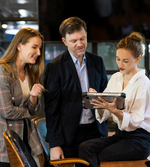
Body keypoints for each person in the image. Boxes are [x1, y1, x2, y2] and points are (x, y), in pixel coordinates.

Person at [78, 32, 150, 167]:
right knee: (85, 147)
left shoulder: (143, 82)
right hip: (120, 135)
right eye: (117, 59)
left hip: (139, 139)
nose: (120, 64)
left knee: (102, 155)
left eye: (125, 61)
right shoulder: (116, 77)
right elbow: (104, 113)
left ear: (138, 58)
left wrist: (115, 111)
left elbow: (135, 121)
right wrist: (98, 103)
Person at [42, 17, 108, 161]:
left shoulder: (98, 62)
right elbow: (51, 110)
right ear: (64, 41)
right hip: (68, 136)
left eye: (82, 39)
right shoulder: (54, 67)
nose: (80, 44)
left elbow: (106, 96)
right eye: (73, 41)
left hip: (95, 131)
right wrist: (55, 145)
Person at [0, 27, 45, 167]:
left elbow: (34, 110)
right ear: (19, 46)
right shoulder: (2, 71)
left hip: (23, 139)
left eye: (40, 48)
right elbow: (6, 111)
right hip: (2, 144)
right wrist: (27, 112)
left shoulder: (29, 72)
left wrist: (33, 96)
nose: (38, 53)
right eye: (34, 47)